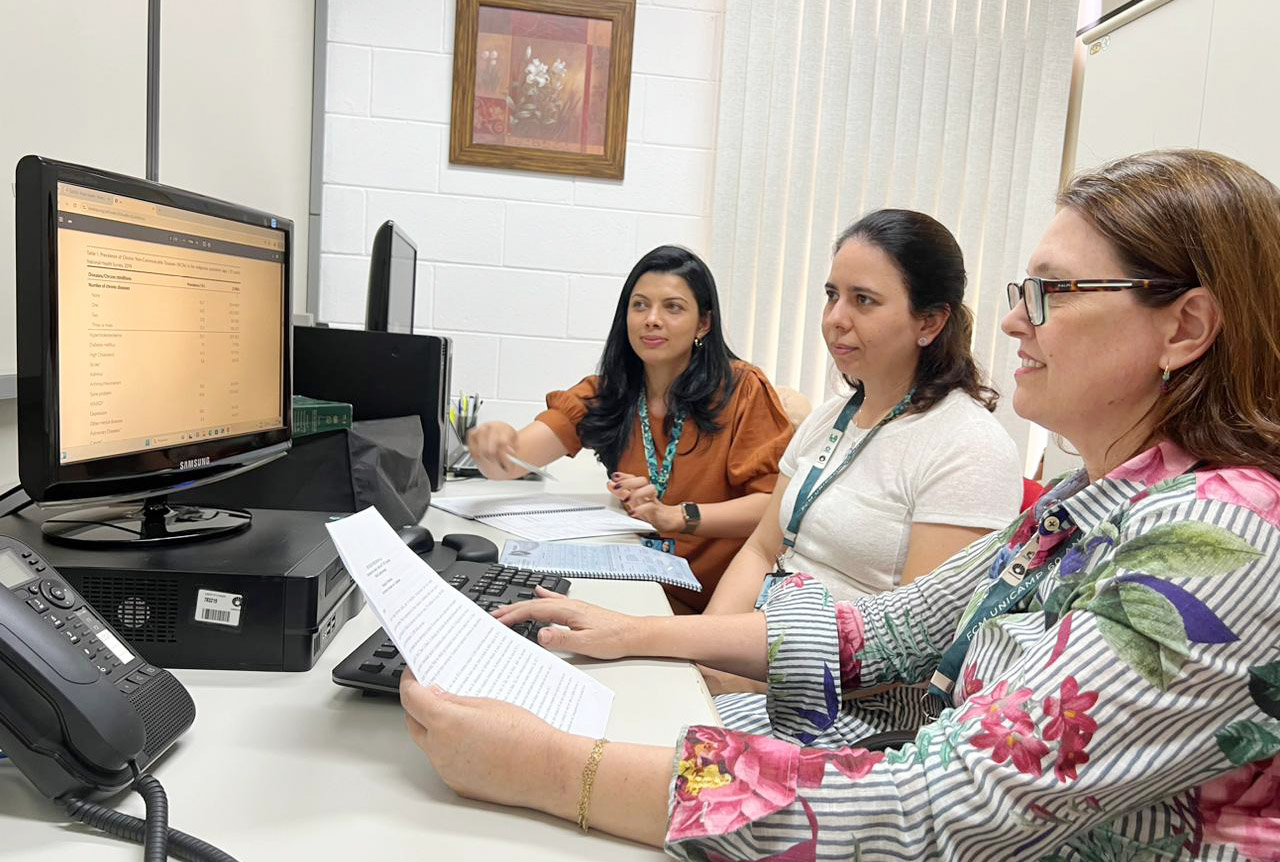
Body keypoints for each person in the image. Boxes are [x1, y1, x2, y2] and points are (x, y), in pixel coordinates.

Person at [401, 149, 1280, 860]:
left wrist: (556, 772)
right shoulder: (1090, 493)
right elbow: (877, 630)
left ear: (1185, 328)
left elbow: (935, 807)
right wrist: (630, 634)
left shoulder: (1223, 537)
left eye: (1049, 293)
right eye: (1021, 292)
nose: (1015, 322)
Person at [702, 209, 1023, 706]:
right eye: (832, 295)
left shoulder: (968, 446)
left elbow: (917, 650)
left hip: (849, 707)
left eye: (863, 300)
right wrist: (708, 658)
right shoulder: (830, 416)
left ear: (930, 322)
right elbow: (763, 550)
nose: (835, 319)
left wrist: (742, 683)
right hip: (759, 658)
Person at [466, 245, 794, 612]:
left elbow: (772, 507)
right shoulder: (609, 393)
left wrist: (676, 516)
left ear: (704, 323)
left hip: (720, 602)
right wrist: (492, 444)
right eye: (640, 305)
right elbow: (509, 463)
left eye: (673, 307)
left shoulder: (742, 389)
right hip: (644, 584)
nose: (652, 319)